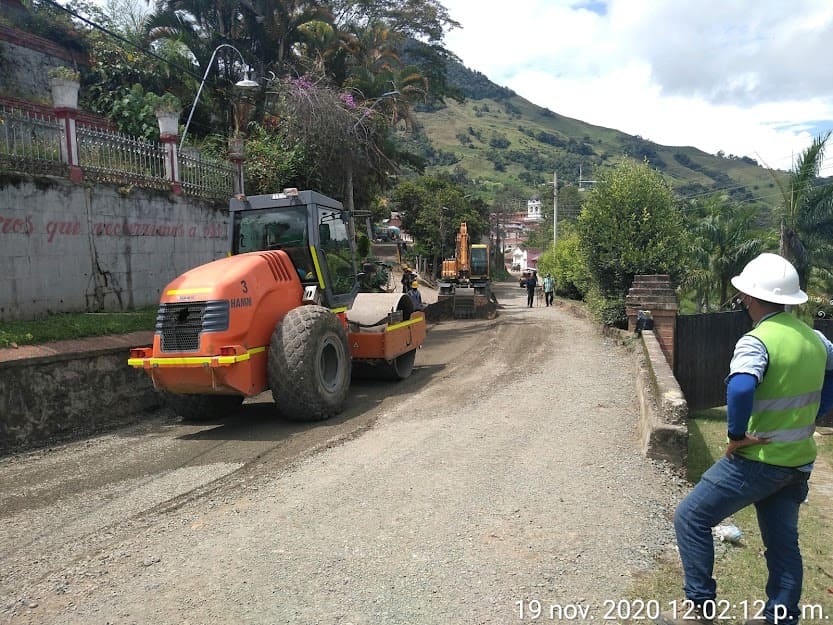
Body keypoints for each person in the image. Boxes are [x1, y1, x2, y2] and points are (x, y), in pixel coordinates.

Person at [661, 253, 833, 625]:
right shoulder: (816, 339)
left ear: (750, 296)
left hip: (757, 460)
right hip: (797, 462)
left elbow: (740, 387)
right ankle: (780, 617)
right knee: (783, 544)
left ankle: (700, 609)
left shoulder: (756, 341)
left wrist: (736, 435)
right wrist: (819, 411)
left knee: (691, 517)